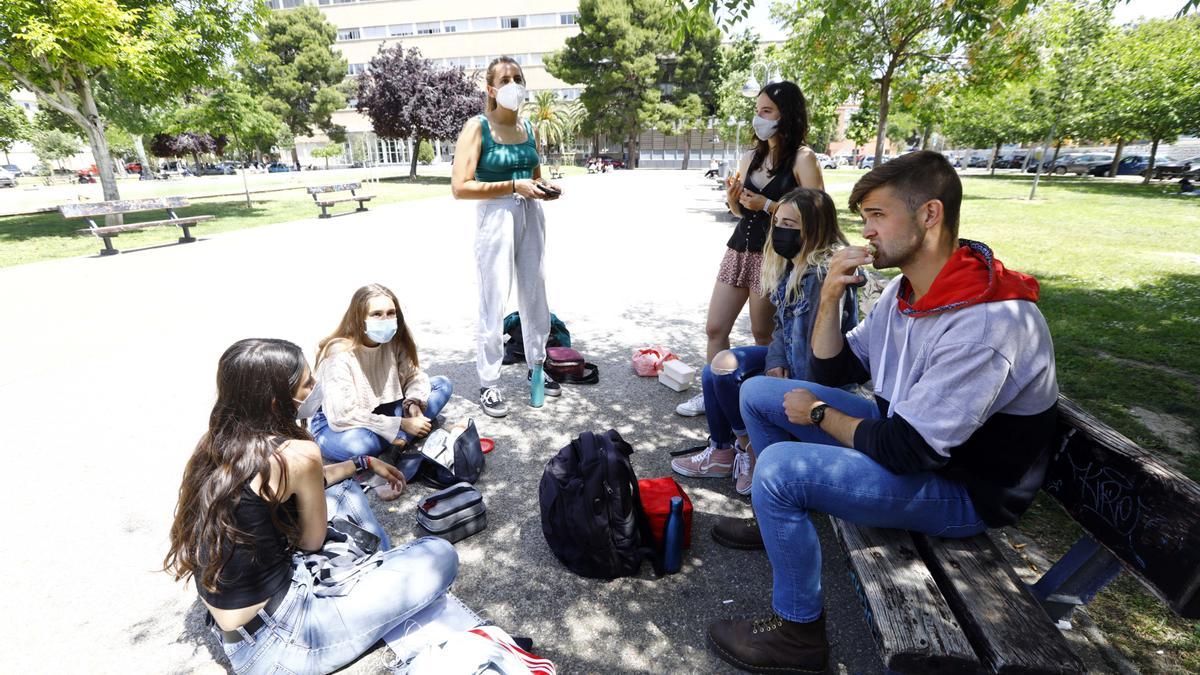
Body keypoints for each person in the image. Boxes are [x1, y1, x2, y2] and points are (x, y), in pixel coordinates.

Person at [706, 151, 1059, 673]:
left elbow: (907, 448)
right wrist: (828, 295)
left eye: (877, 215)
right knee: (759, 392)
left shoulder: (987, 322)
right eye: (864, 216)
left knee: (781, 471)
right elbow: (835, 368)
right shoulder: (908, 290)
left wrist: (822, 415)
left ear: (929, 215)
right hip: (916, 448)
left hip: (964, 491)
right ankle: (773, 524)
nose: (865, 230)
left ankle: (799, 635)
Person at [164, 338, 458, 675]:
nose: (315, 387)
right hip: (286, 641)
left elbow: (301, 483)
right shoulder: (296, 454)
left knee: (345, 489)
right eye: (307, 383)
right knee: (439, 553)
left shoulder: (216, 445)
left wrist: (361, 463)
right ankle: (375, 573)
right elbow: (311, 542)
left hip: (240, 630)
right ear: (276, 401)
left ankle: (373, 575)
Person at [671, 187, 857, 496]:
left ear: (814, 230)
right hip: (790, 365)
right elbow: (782, 328)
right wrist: (774, 361)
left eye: (790, 226)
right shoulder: (794, 264)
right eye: (777, 224)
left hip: (813, 388)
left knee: (731, 377)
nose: (780, 232)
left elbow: (816, 360)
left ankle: (752, 449)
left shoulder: (821, 278)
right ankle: (723, 452)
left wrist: (777, 380)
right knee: (713, 371)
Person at [676, 81, 825, 418]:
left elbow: (817, 213)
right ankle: (711, 393)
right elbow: (742, 212)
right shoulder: (749, 157)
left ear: (786, 115)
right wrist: (735, 201)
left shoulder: (803, 158)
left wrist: (768, 203)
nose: (759, 118)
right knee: (715, 328)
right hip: (739, 248)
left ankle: (765, 403)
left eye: (766, 111)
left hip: (774, 257)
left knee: (764, 335)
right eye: (757, 111)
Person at [452, 56, 563, 418]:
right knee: (494, 298)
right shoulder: (477, 127)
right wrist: (512, 184)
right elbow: (460, 187)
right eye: (505, 79)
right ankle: (489, 382)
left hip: (531, 213)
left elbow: (534, 173)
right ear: (491, 89)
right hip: (495, 213)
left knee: (535, 295)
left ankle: (537, 366)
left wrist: (544, 188)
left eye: (518, 77)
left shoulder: (528, 127)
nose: (513, 84)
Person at [308, 284, 452, 469]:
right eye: (377, 314)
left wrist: (414, 403)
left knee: (442, 385)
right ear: (359, 318)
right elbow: (342, 415)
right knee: (360, 445)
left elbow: (414, 377)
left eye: (391, 313)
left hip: (384, 410)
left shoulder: (394, 341)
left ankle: (394, 443)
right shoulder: (339, 353)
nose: (386, 319)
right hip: (338, 424)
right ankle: (403, 438)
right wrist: (401, 424)